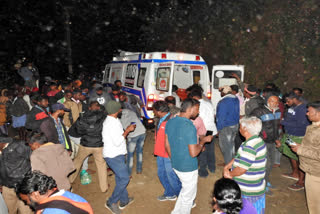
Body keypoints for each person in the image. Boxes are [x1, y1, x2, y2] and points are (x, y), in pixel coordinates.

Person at [165, 98, 213, 214]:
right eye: (197, 109)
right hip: (188, 167)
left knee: (185, 191)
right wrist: (203, 141)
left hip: (175, 163)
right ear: (190, 109)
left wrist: (174, 159)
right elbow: (194, 153)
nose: (198, 112)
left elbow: (167, 145)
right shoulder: (189, 126)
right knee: (188, 198)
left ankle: (176, 212)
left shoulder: (170, 121)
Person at [224, 116, 267, 214]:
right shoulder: (256, 140)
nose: (239, 129)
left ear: (245, 129)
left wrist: (230, 175)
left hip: (248, 191)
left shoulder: (250, 146)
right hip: (255, 186)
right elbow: (239, 157)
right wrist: (227, 166)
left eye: (240, 127)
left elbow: (241, 169)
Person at [102, 101, 135, 214]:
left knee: (120, 178)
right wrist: (127, 131)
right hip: (113, 155)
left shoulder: (113, 120)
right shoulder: (111, 123)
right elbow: (117, 141)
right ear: (116, 111)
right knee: (125, 178)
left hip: (118, 153)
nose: (121, 110)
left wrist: (124, 130)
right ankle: (111, 202)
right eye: (119, 109)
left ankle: (124, 200)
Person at [69, 101, 108, 193]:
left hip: (85, 144)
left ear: (89, 108)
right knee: (101, 165)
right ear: (98, 108)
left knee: (77, 162)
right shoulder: (103, 117)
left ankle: (70, 180)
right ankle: (104, 187)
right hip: (99, 145)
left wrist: (87, 131)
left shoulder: (83, 117)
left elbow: (78, 131)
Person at [290, 101, 320, 214]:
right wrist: (299, 146)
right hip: (311, 170)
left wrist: (301, 150)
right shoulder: (313, 126)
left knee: (315, 205)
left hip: (316, 173)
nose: (307, 114)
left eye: (309, 112)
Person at [16, 171, 93, 214]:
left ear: (35, 194)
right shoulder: (69, 195)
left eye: (26, 201)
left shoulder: (51, 211)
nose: (27, 204)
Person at [277, 92, 309, 191]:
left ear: (294, 99)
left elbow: (301, 124)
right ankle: (295, 173)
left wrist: (282, 121)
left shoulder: (303, 109)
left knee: (300, 158)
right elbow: (289, 118)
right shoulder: (292, 107)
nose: (286, 103)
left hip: (298, 136)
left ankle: (301, 181)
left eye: (288, 101)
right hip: (289, 135)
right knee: (291, 155)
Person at [250, 93, 281, 195]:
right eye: (272, 101)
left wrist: (276, 139)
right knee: (265, 165)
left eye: (277, 101)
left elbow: (276, 127)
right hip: (262, 141)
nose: (275, 103)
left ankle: (266, 181)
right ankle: (262, 185)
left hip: (272, 142)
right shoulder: (258, 111)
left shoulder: (277, 111)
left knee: (271, 163)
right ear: (267, 101)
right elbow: (251, 126)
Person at [153, 101, 181, 201]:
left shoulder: (172, 121)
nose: (153, 112)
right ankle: (170, 193)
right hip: (160, 152)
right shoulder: (161, 119)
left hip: (169, 153)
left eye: (154, 111)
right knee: (161, 173)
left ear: (159, 111)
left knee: (172, 176)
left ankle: (184, 198)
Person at [0, 136, 33, 214]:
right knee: (10, 211)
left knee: (26, 211)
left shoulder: (20, 145)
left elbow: (33, 160)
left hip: (23, 187)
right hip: (7, 188)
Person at [189, 88, 217, 177]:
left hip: (203, 130)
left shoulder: (197, 106)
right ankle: (212, 167)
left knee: (202, 150)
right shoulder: (208, 103)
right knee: (210, 150)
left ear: (194, 97)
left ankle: (203, 170)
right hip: (211, 129)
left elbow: (198, 120)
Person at [216, 85, 240, 165]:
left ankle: (228, 165)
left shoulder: (223, 102)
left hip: (226, 127)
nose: (220, 94)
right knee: (231, 145)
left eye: (221, 92)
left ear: (224, 92)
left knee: (226, 147)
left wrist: (218, 129)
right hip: (235, 125)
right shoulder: (235, 99)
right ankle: (231, 161)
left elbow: (221, 117)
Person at [120, 109, 146, 175]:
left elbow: (124, 129)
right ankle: (139, 170)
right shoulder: (131, 111)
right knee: (139, 152)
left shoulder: (119, 118)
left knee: (130, 155)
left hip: (133, 135)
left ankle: (129, 173)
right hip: (142, 132)